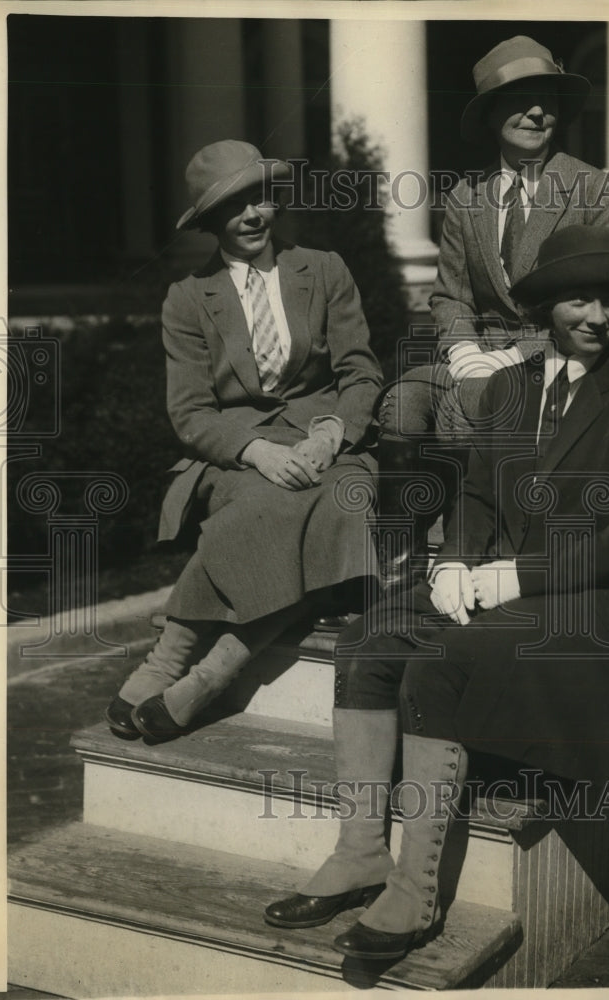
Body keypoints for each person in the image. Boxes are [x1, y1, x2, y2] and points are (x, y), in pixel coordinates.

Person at [264, 225, 609, 961]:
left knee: (440, 659)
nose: (597, 317)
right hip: (504, 589)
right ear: (545, 306)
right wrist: (455, 563)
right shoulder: (507, 387)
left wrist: (511, 575)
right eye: (579, 298)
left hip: (588, 607)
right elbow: (480, 502)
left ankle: (415, 893)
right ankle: (361, 849)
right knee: (368, 639)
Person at [105, 141, 383, 743]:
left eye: (260, 198)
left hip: (326, 440)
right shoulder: (187, 298)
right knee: (266, 502)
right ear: (210, 222)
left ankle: (205, 673)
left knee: (341, 500)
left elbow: (361, 373)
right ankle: (172, 657)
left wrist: (332, 432)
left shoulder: (324, 269)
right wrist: (259, 451)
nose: (254, 215)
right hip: (237, 450)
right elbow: (191, 413)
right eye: (234, 207)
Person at [377, 35, 609, 584]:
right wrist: (465, 347)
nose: (538, 112)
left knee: (470, 404)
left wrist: (518, 354)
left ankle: (472, 554)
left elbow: (608, 300)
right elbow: (449, 294)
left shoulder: (592, 188)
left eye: (547, 100)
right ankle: (399, 559)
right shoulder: (466, 197)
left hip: (565, 359)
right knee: (401, 402)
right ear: (490, 113)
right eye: (520, 100)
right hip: (476, 356)